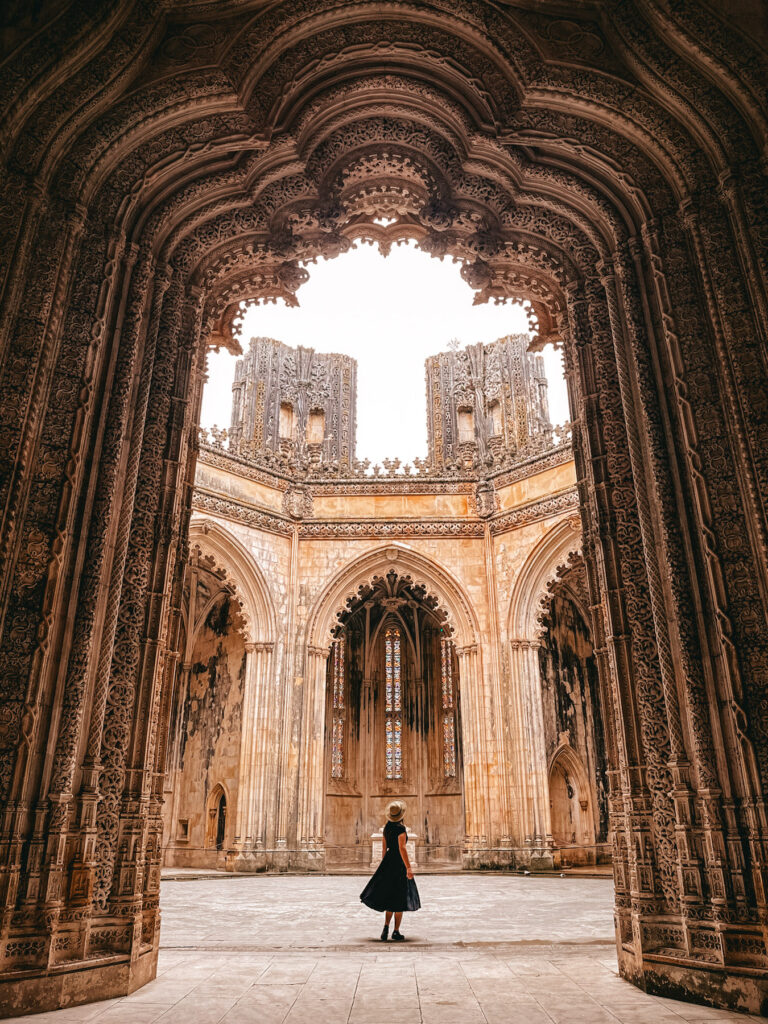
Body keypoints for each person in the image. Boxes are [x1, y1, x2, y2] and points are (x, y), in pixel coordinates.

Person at [360, 800, 421, 941]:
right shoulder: (400, 829)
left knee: (389, 897)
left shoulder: (387, 828)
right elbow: (402, 848)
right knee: (400, 897)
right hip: (399, 864)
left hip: (388, 862)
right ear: (401, 815)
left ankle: (385, 927)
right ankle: (396, 931)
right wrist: (408, 867)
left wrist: (384, 864)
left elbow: (383, 848)